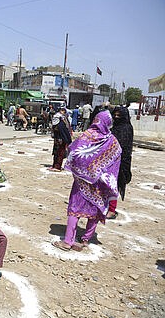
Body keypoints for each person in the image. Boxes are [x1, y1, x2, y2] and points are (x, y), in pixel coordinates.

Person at [52, 111, 121, 251]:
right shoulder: (113, 142)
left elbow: (74, 152)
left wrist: (83, 170)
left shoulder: (87, 135)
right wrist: (103, 175)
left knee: (74, 209)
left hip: (81, 182)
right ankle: (85, 240)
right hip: (99, 184)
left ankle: (67, 241)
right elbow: (116, 162)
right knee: (95, 210)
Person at [107, 105, 133, 219]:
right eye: (115, 114)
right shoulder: (115, 127)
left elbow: (124, 147)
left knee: (114, 185)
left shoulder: (126, 128)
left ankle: (111, 210)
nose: (116, 117)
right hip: (109, 160)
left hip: (120, 162)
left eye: (119, 115)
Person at [49, 107, 72, 171]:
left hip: (61, 139)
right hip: (58, 139)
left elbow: (64, 132)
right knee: (56, 153)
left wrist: (66, 141)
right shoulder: (59, 122)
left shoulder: (61, 123)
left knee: (59, 153)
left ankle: (57, 167)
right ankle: (54, 165)